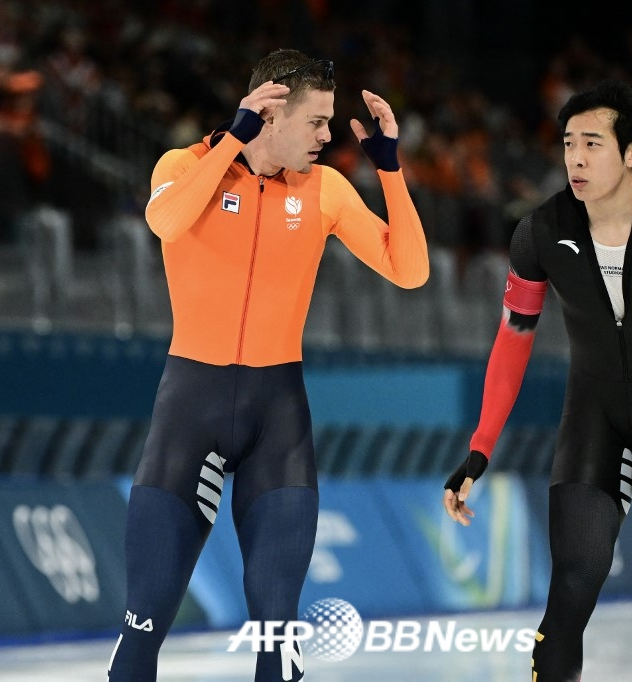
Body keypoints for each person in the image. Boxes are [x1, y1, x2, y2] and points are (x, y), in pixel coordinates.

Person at [108, 49, 429, 681]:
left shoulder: (326, 190)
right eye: (315, 122)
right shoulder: (186, 165)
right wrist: (233, 141)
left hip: (277, 421)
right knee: (142, 630)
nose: (326, 136)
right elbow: (165, 221)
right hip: (189, 412)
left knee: (277, 641)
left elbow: (410, 271)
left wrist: (390, 170)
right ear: (272, 111)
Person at [443, 79, 632, 681]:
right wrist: (478, 451)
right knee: (573, 581)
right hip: (594, 415)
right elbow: (511, 343)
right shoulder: (540, 234)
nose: (576, 159)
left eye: (593, 144)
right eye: (568, 144)